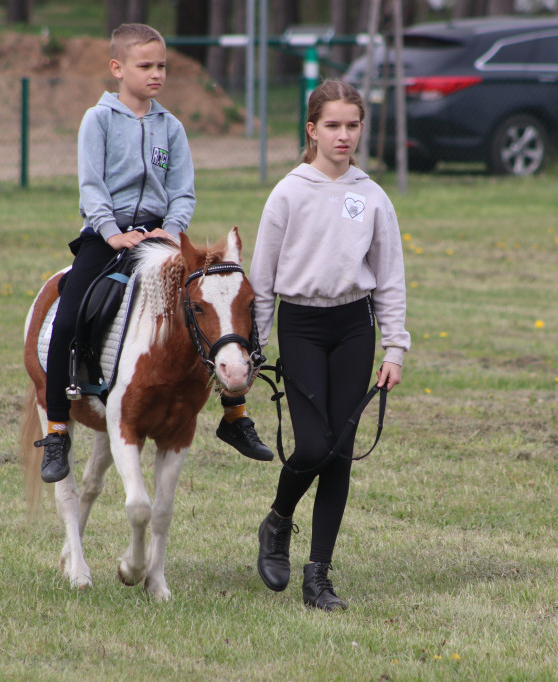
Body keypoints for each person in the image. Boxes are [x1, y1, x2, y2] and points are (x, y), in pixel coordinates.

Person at [35, 23, 271, 484]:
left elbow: (183, 191)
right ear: (117, 68)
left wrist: (172, 229)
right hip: (106, 238)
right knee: (68, 316)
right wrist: (110, 232)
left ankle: (235, 414)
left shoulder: (172, 126)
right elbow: (91, 186)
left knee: (222, 303)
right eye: (146, 66)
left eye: (161, 65)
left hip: (163, 237)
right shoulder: (97, 120)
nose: (156, 73)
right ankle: (59, 428)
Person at [248, 80, 410, 611]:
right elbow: (263, 279)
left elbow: (389, 277)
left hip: (354, 328)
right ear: (312, 130)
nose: (344, 136)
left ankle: (318, 575)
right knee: (313, 446)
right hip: (302, 327)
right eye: (333, 126)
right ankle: (277, 521)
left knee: (340, 453)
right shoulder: (289, 193)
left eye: (353, 125)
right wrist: (256, 344)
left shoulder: (372, 195)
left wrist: (394, 348)